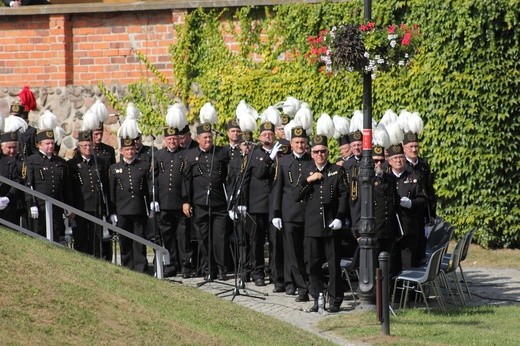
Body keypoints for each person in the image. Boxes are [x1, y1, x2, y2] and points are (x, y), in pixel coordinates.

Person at [293, 134, 348, 313]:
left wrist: (340, 216)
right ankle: (317, 298)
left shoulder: (336, 170)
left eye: (323, 151)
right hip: (312, 225)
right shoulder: (306, 170)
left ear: (327, 152)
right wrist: (309, 180)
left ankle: (335, 299)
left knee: (333, 265)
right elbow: (296, 195)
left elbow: (344, 195)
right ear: (312, 152)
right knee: (313, 264)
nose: (319, 155)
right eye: (316, 152)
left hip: (331, 224)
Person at [182, 122, 229, 281]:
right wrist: (186, 201)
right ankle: (209, 269)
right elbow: (186, 180)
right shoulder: (190, 155)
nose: (208, 140)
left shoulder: (221, 153)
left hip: (219, 203)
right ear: (198, 139)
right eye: (205, 137)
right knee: (204, 238)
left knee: (219, 238)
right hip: (200, 203)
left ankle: (222, 270)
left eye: (210, 137)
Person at [270, 126, 311, 301]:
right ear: (291, 144)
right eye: (297, 142)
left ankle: (307, 284)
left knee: (308, 253)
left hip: (308, 214)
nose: (300, 145)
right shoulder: (284, 161)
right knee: (292, 253)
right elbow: (277, 189)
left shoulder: (312, 161)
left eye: (302, 142)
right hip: (289, 213)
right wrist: (276, 213)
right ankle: (296, 286)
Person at [153, 126, 194, 278]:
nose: (172, 141)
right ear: (165, 140)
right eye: (169, 139)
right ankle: (171, 264)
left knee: (183, 236)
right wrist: (155, 199)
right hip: (164, 203)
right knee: (167, 236)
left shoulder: (186, 155)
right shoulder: (158, 155)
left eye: (174, 139)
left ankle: (185, 266)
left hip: (180, 203)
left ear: (179, 139)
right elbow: (154, 178)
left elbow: (187, 180)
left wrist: (186, 200)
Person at [247, 121, 282, 287]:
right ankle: (258, 272)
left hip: (275, 205)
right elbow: (260, 173)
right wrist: (269, 157)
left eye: (270, 133)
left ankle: (275, 274)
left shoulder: (280, 153)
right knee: (257, 242)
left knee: (275, 241)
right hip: (258, 204)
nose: (268, 136)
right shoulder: (254, 153)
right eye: (264, 134)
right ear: (259, 137)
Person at [109, 136, 151, 273]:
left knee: (139, 238)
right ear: (121, 151)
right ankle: (127, 265)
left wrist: (150, 204)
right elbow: (112, 192)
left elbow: (148, 187)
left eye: (132, 149)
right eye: (127, 150)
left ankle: (140, 266)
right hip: (122, 209)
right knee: (124, 240)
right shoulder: (115, 168)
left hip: (138, 208)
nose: (130, 152)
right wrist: (113, 211)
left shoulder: (143, 166)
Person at [68, 130, 111, 260]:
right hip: (80, 207)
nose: (87, 148)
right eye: (84, 146)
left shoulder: (100, 162)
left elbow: (105, 185)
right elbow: (70, 188)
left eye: (90, 145)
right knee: (80, 239)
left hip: (95, 206)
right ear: (79, 147)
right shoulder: (72, 164)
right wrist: (71, 208)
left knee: (96, 240)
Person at [25, 128, 73, 240]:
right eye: (47, 144)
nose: (50, 146)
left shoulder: (61, 162)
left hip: (56, 206)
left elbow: (66, 187)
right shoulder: (31, 160)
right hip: (39, 207)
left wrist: (69, 206)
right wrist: (32, 204)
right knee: (39, 235)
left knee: (55, 235)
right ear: (39, 145)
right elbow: (28, 184)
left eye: (52, 143)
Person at [386, 142, 427, 270]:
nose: (398, 161)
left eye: (401, 157)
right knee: (391, 265)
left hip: (408, 228)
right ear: (389, 161)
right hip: (390, 230)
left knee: (407, 265)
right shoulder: (385, 179)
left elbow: (423, 199)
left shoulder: (414, 178)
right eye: (395, 158)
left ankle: (408, 290)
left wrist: (411, 203)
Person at [0, 132, 22, 226]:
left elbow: (16, 181)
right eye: (9, 147)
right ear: (2, 147)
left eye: (15, 147)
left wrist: (7, 198)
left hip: (11, 206)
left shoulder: (17, 162)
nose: (12, 151)